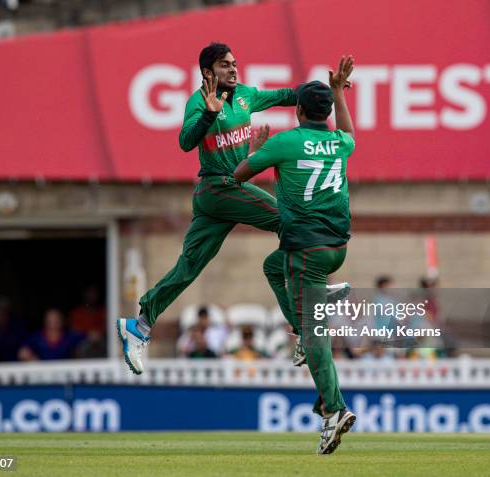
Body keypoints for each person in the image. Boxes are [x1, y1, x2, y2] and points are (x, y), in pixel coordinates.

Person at [117, 42, 299, 375]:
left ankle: (139, 324)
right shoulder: (198, 102)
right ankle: (303, 316)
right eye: (225, 65)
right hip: (220, 187)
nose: (233, 69)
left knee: (188, 268)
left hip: (220, 196)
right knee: (292, 222)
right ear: (207, 72)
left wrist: (325, 92)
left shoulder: (245, 94)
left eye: (234, 63)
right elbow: (186, 142)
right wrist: (209, 114)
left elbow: (287, 95)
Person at [233, 56, 357, 454]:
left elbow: (237, 178)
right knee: (273, 266)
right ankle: (308, 319)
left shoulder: (284, 141)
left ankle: (334, 410)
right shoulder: (341, 142)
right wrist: (339, 91)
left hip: (306, 251)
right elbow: (349, 129)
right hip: (335, 248)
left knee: (314, 335)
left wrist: (253, 150)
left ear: (299, 110)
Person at [18, 308, 84, 361]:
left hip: (65, 371)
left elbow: (89, 337)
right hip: (42, 371)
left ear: (62, 320)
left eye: (56, 318)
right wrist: (33, 359)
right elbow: (23, 352)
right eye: (51, 318)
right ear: (45, 320)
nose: (54, 321)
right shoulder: (37, 336)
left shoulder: (70, 335)